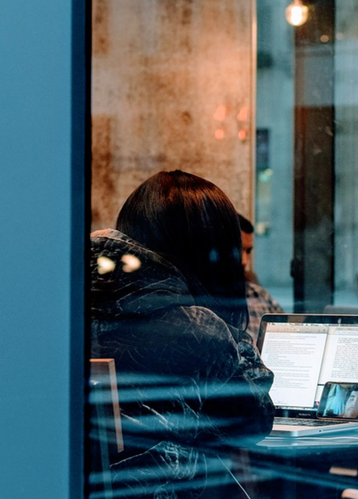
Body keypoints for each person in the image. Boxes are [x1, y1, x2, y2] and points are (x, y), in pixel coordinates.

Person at [89, 170, 275, 498]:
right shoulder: (196, 328)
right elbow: (253, 422)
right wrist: (228, 327)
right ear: (211, 252)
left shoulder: (72, 305)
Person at [238, 213, 284, 342]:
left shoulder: (258, 294)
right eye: (239, 250)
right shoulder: (203, 302)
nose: (244, 261)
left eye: (248, 251)